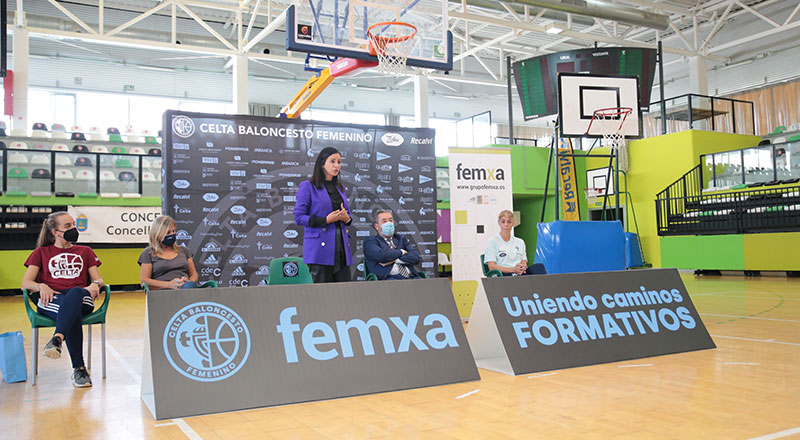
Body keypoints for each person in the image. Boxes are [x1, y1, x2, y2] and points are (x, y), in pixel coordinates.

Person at [20, 211, 104, 387]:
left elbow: (99, 279)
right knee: (71, 314)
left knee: (74, 294)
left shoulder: (85, 251)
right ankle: (79, 369)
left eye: (73, 224)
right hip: (52, 300)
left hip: (82, 298)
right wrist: (40, 286)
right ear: (55, 232)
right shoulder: (41, 252)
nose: (73, 229)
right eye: (67, 226)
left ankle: (58, 338)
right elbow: (26, 283)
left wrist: (95, 284)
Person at [294, 146, 353, 283]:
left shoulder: (340, 188)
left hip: (341, 250)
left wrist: (347, 218)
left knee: (345, 294)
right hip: (320, 251)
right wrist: (325, 220)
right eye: (332, 161)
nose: (336, 165)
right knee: (324, 296)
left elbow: (348, 216)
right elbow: (298, 218)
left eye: (339, 162)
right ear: (322, 164)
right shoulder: (307, 186)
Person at [138, 215, 199, 290]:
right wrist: (169, 285)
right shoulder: (148, 253)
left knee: (189, 287)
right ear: (157, 234)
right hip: (163, 292)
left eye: (173, 231)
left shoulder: (184, 251)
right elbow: (144, 281)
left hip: (185, 289)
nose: (172, 234)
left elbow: (194, 274)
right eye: (168, 232)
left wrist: (188, 281)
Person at [363, 209, 422, 280]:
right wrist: (401, 252)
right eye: (384, 221)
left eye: (390, 220)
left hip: (411, 277)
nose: (388, 223)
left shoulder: (401, 239)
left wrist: (395, 260)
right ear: (377, 226)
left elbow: (415, 257)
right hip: (388, 278)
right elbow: (382, 256)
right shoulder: (370, 241)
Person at [484, 210, 546, 276]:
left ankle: (546, 286)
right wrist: (513, 269)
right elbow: (491, 267)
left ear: (513, 223)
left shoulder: (520, 242)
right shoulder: (492, 241)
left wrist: (522, 267)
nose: (506, 224)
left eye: (509, 222)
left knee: (539, 267)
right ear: (499, 223)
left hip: (518, 273)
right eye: (503, 221)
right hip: (504, 273)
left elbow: (524, 261)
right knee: (528, 279)